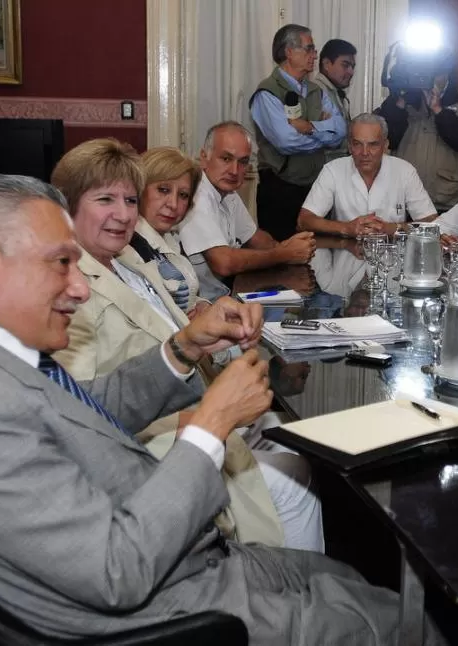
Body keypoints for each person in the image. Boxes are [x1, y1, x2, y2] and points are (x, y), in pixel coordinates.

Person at [0, 174, 445, 645]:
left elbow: (85, 412)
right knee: (410, 622)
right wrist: (209, 428)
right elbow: (116, 573)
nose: (80, 289)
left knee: (351, 574)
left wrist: (181, 349)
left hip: (189, 561)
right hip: (180, 613)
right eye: (61, 262)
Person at [50, 139, 322, 552]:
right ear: (68, 207)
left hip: (197, 409)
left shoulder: (129, 262)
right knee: (297, 483)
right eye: (105, 199)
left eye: (127, 199)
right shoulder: (70, 289)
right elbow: (84, 416)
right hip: (158, 451)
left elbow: (176, 332)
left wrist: (212, 326)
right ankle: (286, 592)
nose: (123, 214)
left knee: (295, 435)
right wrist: (208, 418)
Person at [178, 122, 316, 302]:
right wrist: (285, 254)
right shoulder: (197, 194)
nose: (235, 171)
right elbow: (224, 263)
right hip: (196, 305)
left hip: (224, 294)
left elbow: (256, 238)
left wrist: (291, 247)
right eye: (226, 159)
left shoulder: (228, 192)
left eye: (242, 162)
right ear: (204, 157)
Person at [251, 24, 347, 241]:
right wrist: (324, 133)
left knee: (319, 255)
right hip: (280, 189)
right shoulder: (267, 92)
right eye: (309, 49)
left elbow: (340, 132)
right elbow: (286, 141)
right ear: (289, 52)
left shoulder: (317, 91)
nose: (315, 55)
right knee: (282, 260)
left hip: (315, 188)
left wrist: (310, 127)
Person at [297, 113, 437, 237]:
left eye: (373, 145)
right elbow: (304, 220)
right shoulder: (333, 170)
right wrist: (346, 228)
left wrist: (391, 228)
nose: (365, 152)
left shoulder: (405, 171)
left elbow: (432, 223)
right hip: (344, 257)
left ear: (385, 145)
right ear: (350, 146)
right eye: (357, 144)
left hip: (391, 260)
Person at [375, 68, 458, 212]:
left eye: (434, 69)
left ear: (447, 73)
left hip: (445, 198)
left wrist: (438, 110)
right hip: (403, 199)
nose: (427, 75)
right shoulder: (400, 99)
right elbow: (387, 139)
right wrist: (399, 102)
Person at [129, 146, 206, 316]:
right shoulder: (128, 244)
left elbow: (187, 294)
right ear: (139, 190)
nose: (173, 204)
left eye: (183, 195)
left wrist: (203, 306)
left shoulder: (169, 239)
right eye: (163, 190)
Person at [313, 38, 357, 161]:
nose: (351, 72)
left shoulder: (334, 92)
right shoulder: (316, 92)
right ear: (326, 64)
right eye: (345, 65)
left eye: (352, 67)